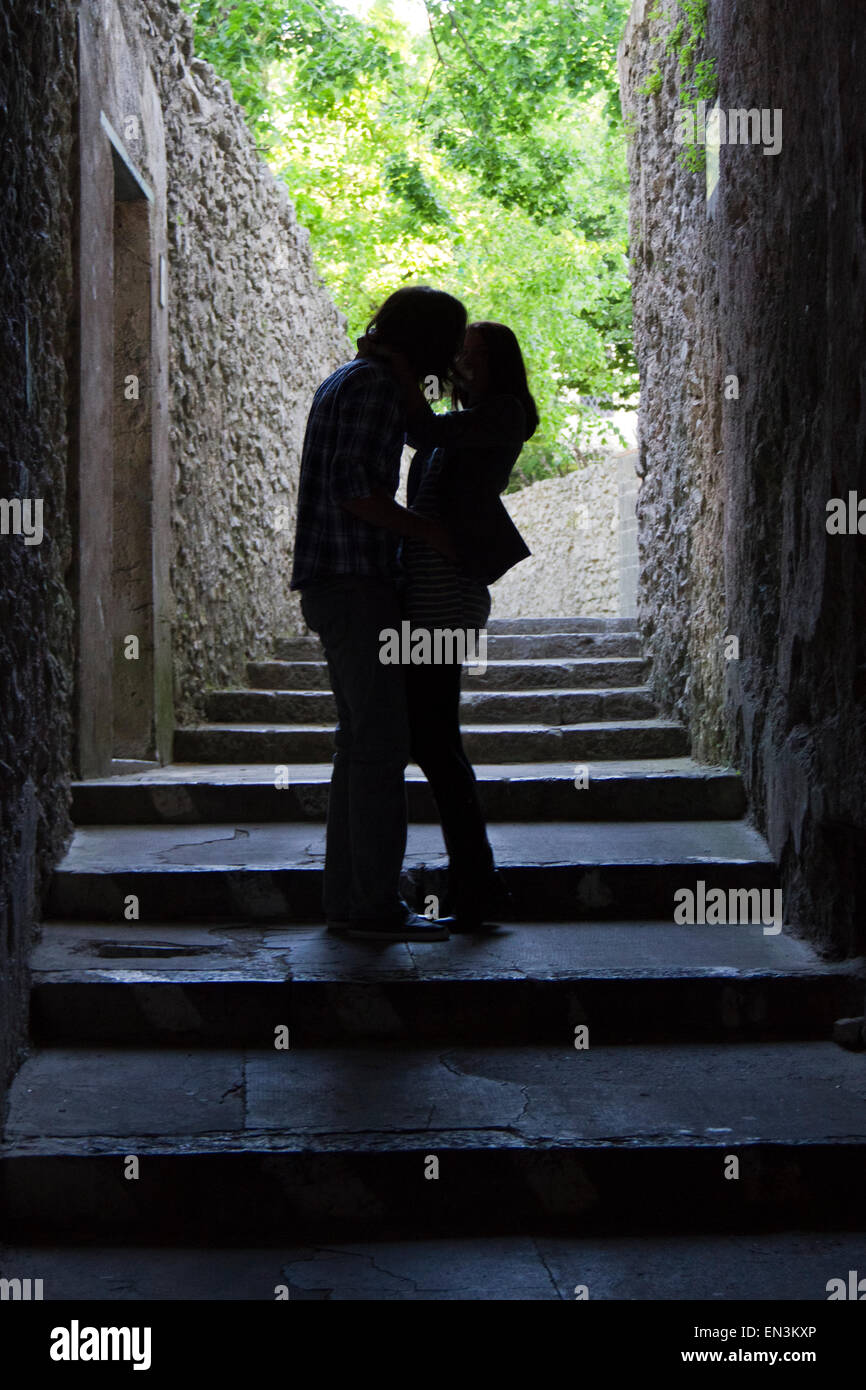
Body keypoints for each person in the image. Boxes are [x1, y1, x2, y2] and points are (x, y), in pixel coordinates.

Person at [290, 285, 466, 942]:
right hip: (353, 584)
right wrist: (428, 533)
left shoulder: (358, 379)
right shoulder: (369, 388)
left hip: (347, 585)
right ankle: (369, 909)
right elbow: (355, 491)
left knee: (363, 746)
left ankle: (353, 901)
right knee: (379, 746)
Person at [370, 321, 537, 929]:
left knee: (437, 742)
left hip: (451, 595)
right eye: (458, 349)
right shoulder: (462, 426)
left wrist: (405, 370)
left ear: (496, 361)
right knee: (433, 741)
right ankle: (477, 885)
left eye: (470, 351)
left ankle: (479, 886)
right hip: (426, 592)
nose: (460, 358)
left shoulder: (504, 413)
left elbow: (425, 427)